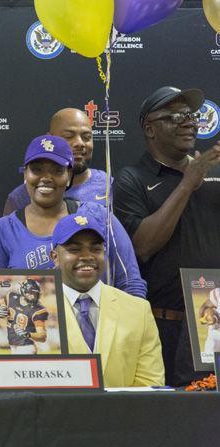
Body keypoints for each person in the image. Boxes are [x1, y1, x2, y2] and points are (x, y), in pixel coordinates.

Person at [114, 86, 220, 386]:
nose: (188, 121)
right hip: (165, 326)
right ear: (150, 128)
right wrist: (187, 183)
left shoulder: (215, 174)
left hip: (213, 323)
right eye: (175, 116)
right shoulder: (131, 179)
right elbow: (143, 246)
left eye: (190, 114)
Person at [0, 135, 146, 298]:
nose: (46, 178)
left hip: (101, 321)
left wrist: (129, 321)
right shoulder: (3, 230)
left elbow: (131, 284)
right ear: (25, 173)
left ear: (69, 175)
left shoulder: (98, 216)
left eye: (57, 170)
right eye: (37, 169)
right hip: (37, 322)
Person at [50, 213, 164, 387]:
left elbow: (150, 384)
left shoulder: (138, 310)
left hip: (122, 414)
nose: (87, 256)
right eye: (74, 249)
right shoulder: (37, 310)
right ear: (55, 257)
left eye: (96, 249)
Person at [3, 108, 109, 215]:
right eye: (69, 136)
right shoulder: (20, 197)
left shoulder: (108, 185)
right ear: (49, 139)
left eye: (87, 137)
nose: (79, 143)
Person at [0, 279, 48, 353]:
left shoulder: (38, 310)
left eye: (36, 294)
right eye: (31, 293)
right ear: (24, 290)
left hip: (27, 346)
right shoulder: (11, 297)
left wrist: (27, 334)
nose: (33, 296)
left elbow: (42, 336)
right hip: (12, 345)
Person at [199, 288, 220, 357]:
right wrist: (208, 314)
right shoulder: (217, 293)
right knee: (209, 364)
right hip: (215, 337)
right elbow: (204, 307)